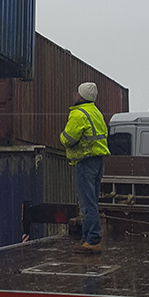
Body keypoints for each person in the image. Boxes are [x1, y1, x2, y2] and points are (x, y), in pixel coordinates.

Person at [60, 82, 110, 254]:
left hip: (85, 161)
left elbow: (68, 139)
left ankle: (92, 240)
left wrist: (61, 136)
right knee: (92, 202)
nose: (75, 94)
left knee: (87, 204)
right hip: (98, 161)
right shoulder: (96, 112)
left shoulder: (79, 114)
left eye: (77, 92)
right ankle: (86, 238)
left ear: (80, 96)